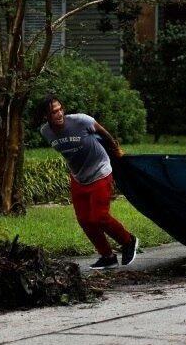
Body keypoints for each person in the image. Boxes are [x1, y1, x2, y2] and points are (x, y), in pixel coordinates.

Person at [37, 95, 139, 270]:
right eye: (54, 112)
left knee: (100, 217)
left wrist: (114, 147)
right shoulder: (45, 131)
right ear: (46, 115)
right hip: (78, 176)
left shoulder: (81, 121)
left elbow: (102, 131)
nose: (59, 113)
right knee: (85, 220)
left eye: (61, 109)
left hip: (100, 170)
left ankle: (128, 241)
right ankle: (107, 256)